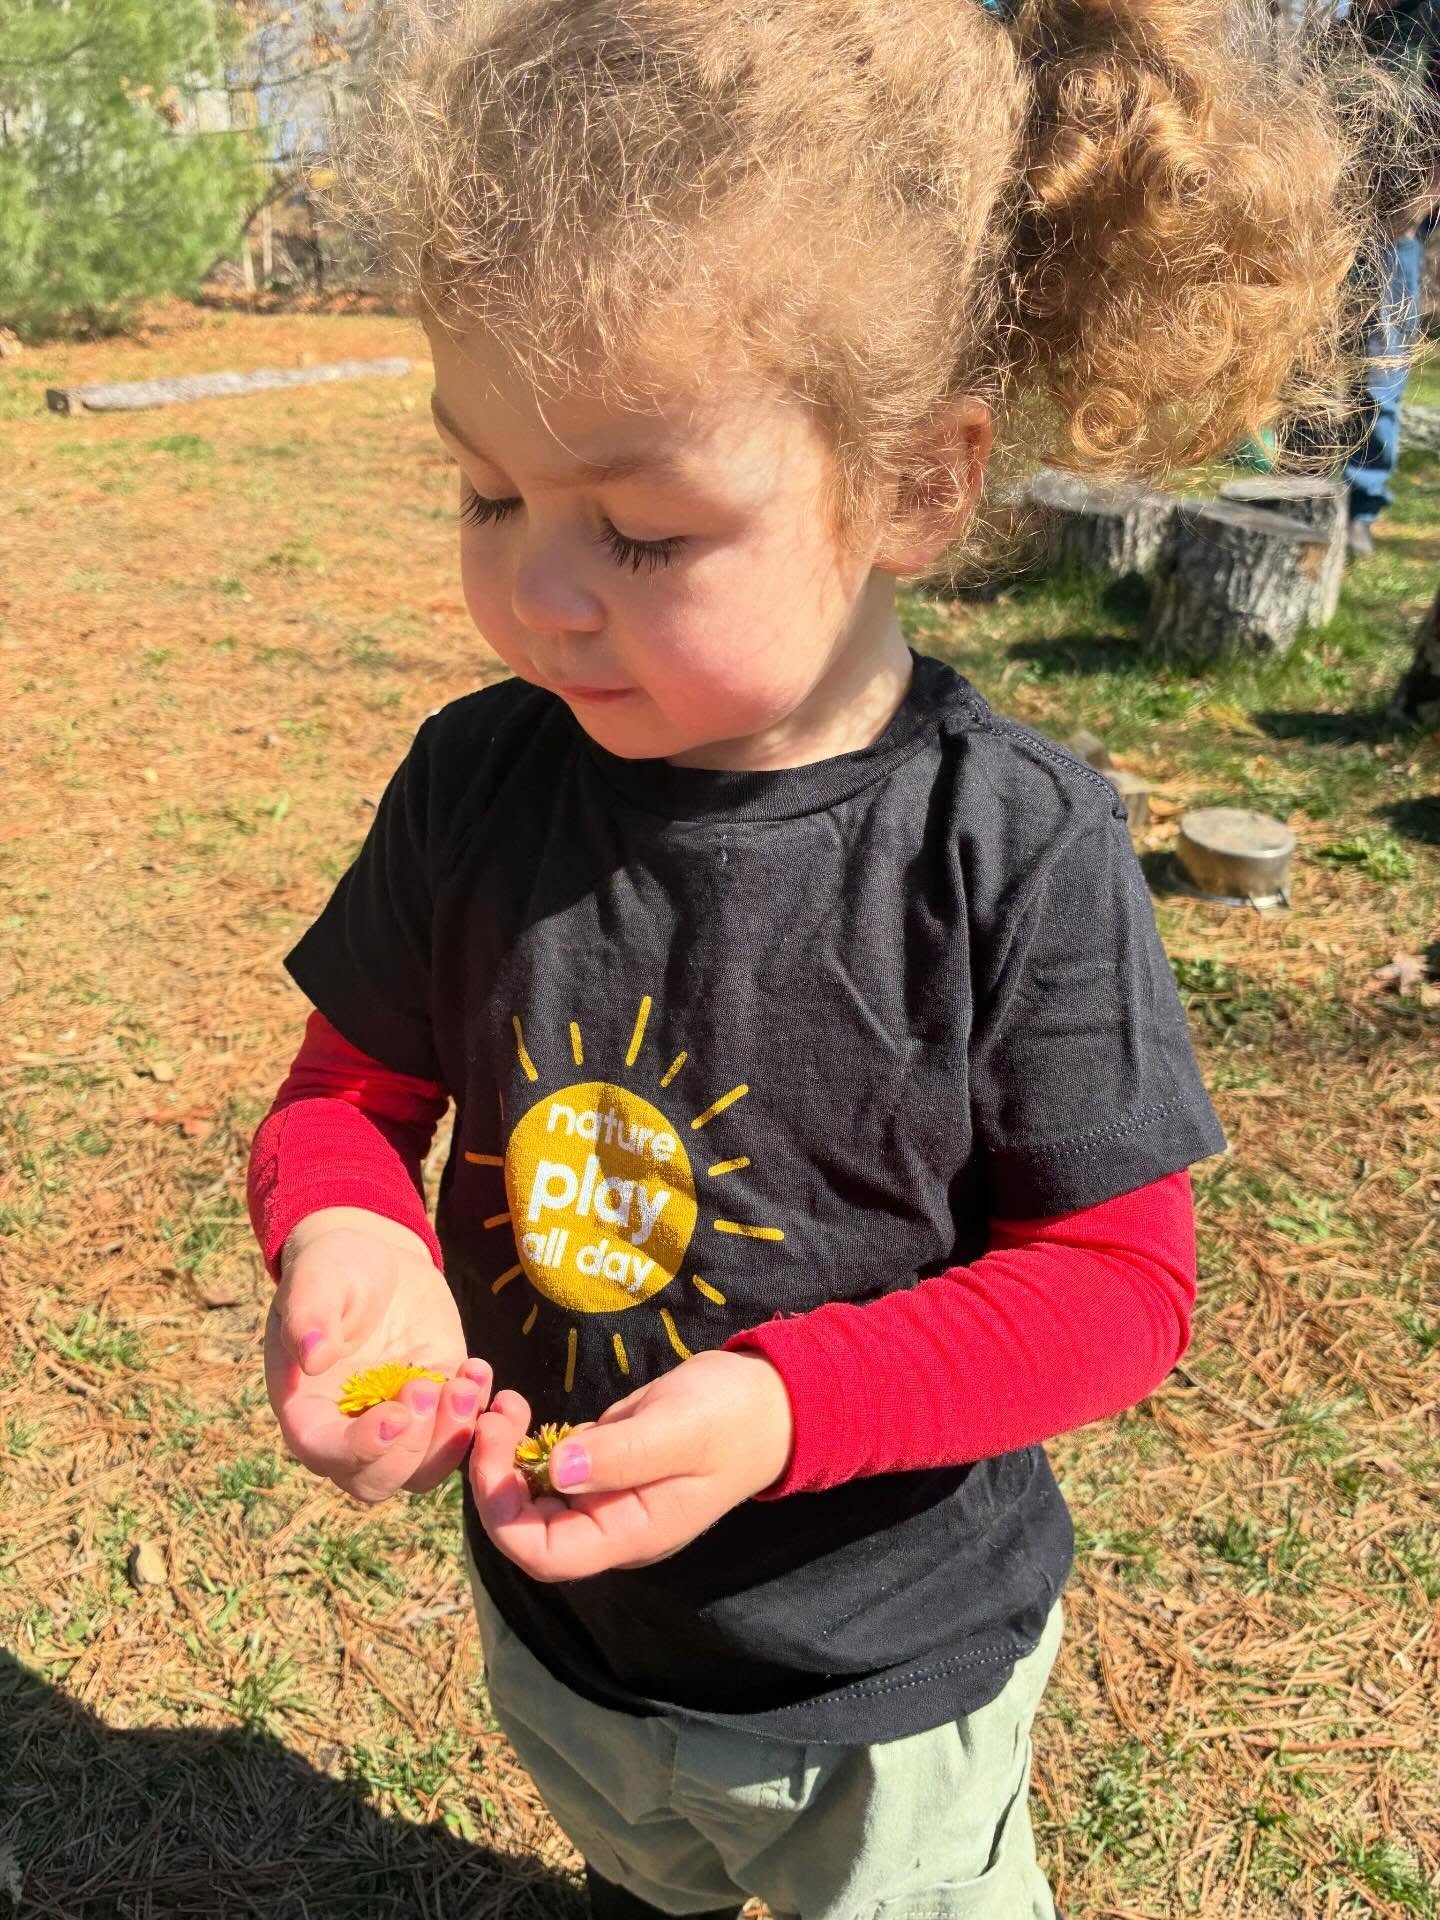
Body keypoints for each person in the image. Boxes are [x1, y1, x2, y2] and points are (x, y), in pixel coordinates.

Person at [246, 4, 1368, 1914]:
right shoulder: (476, 781)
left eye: (649, 528)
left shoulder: (1012, 846)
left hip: (879, 1691)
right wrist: (346, 1237)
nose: (538, 589)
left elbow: (1116, 1283)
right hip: (574, 1647)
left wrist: (783, 1411)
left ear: (918, 486)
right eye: (487, 491)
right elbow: (349, 1097)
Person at [1341, 0, 1440, 554]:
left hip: (1395, 215)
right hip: (1321, 207)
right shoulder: (1342, 13)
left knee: (1378, 367)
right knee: (1303, 358)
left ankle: (1361, 504)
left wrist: (1420, 200)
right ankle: (1296, 487)